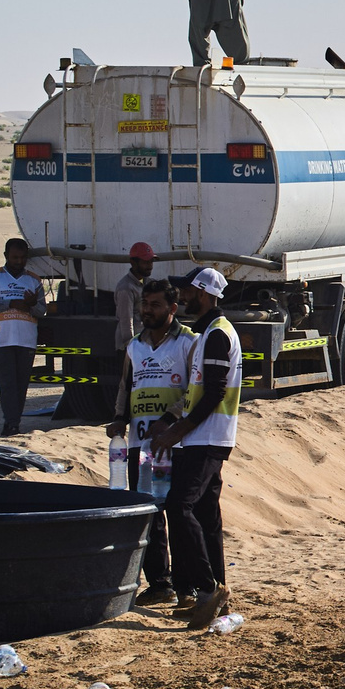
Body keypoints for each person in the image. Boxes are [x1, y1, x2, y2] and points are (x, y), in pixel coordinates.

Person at [148, 267, 243, 624]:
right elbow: (198, 392)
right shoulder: (208, 333)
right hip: (202, 436)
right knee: (205, 515)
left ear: (202, 293)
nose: (181, 298)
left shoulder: (217, 334)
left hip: (207, 437)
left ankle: (208, 588)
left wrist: (178, 430)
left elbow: (215, 393)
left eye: (186, 292)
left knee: (179, 506)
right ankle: (217, 591)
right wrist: (173, 423)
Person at [110, 275, 196, 608]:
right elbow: (125, 387)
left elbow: (195, 391)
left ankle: (187, 583)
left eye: (155, 304)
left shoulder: (188, 342)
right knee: (150, 512)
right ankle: (159, 583)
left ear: (172, 308)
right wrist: (119, 418)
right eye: (144, 304)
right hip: (140, 448)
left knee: (178, 512)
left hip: (176, 446)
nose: (147, 310)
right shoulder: (134, 345)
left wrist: (171, 419)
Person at [0, 238, 43, 436]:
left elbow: (42, 311)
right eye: (15, 257)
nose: (18, 261)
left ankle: (14, 421)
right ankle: (11, 423)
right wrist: (11, 304)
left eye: (23, 258)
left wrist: (32, 305)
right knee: (7, 383)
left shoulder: (34, 280)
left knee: (21, 383)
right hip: (2, 339)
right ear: (6, 255)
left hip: (26, 339)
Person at [111, 242, 158, 349]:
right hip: (131, 346)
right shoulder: (126, 288)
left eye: (151, 261)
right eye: (145, 262)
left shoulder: (147, 283)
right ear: (133, 262)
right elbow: (126, 321)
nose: (150, 266)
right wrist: (131, 347)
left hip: (143, 344)